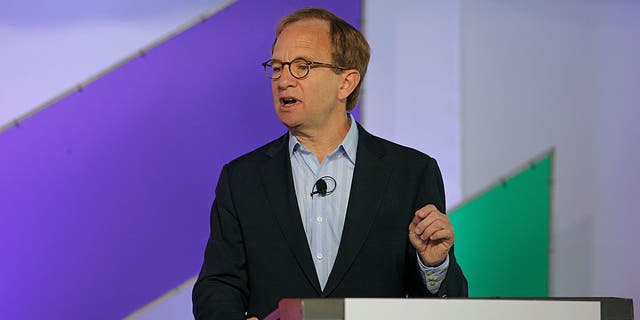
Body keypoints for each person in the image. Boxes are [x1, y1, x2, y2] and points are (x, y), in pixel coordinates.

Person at [192, 7, 468, 320]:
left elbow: (446, 306)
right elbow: (217, 285)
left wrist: (433, 265)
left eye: (301, 66)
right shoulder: (242, 179)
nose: (283, 80)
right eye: (277, 66)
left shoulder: (411, 173)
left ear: (346, 82)